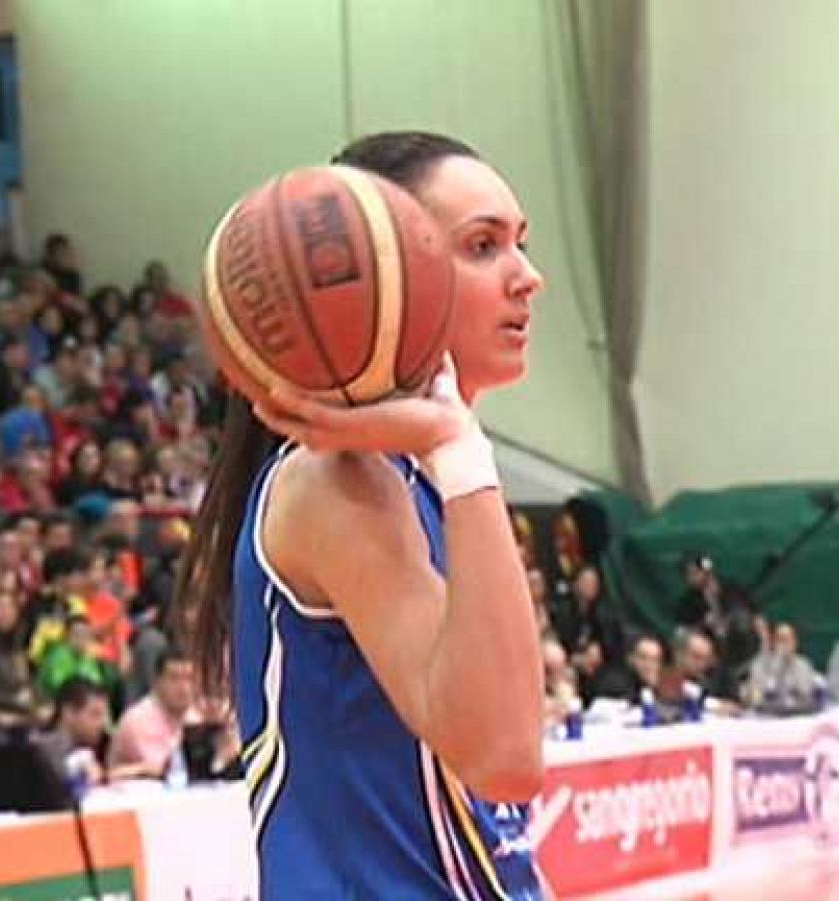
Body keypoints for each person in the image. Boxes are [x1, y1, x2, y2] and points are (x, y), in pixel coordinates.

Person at [180, 131, 546, 899]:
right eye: (483, 246)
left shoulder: (427, 473)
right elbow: (507, 753)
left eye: (519, 243)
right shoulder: (338, 483)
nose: (528, 277)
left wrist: (456, 450)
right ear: (398, 273)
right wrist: (459, 446)